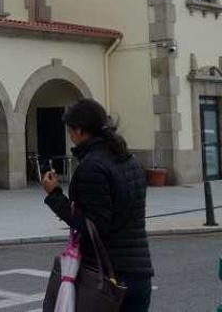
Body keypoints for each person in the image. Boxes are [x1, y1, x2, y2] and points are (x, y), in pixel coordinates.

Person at [42, 99, 154, 312]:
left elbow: (93, 227)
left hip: (108, 279)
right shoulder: (128, 160)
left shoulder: (92, 166)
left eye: (70, 130)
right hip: (139, 273)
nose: (70, 136)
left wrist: (55, 195)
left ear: (81, 131)